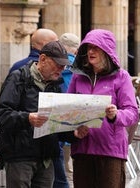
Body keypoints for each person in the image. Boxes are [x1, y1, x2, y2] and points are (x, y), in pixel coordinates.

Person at [0, 40, 89, 188]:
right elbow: (2, 114)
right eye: (57, 64)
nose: (61, 69)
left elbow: (57, 124)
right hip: (20, 155)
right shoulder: (18, 78)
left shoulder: (55, 85)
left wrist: (73, 133)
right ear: (43, 59)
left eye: (63, 66)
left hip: (46, 157)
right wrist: (28, 118)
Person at [67, 29, 139, 188]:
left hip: (110, 150)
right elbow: (68, 108)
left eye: (95, 48)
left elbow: (132, 113)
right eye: (88, 47)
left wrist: (115, 114)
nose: (90, 51)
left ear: (106, 50)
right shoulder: (78, 77)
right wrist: (74, 128)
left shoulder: (121, 77)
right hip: (82, 149)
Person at [52, 33, 80, 188]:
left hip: (56, 112)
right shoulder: (80, 66)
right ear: (75, 49)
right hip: (75, 114)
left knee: (59, 160)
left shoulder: (55, 63)